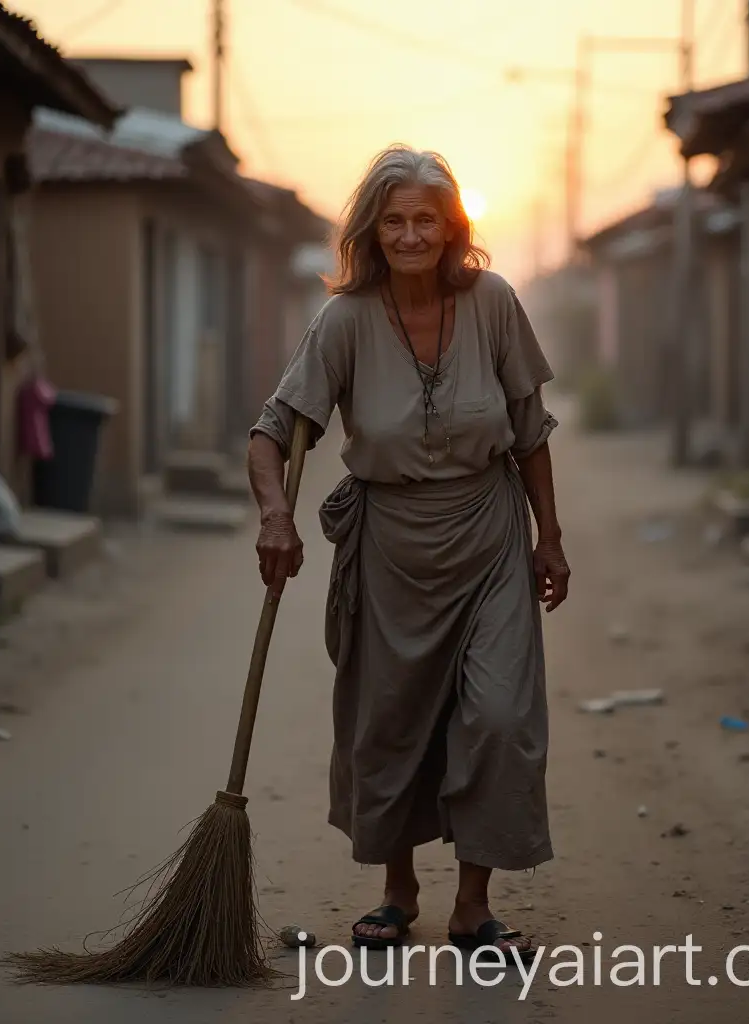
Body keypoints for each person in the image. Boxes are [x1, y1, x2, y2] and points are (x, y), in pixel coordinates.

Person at [247, 144, 570, 963]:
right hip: (389, 547)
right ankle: (397, 892)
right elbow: (272, 431)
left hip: (489, 536)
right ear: (372, 230)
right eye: (394, 220)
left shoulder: (493, 303)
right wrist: (275, 516)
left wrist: (550, 538)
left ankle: (472, 904)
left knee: (498, 717)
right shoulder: (345, 321)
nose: (411, 234)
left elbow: (530, 433)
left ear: (453, 226)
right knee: (387, 724)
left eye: (427, 219)